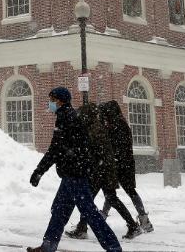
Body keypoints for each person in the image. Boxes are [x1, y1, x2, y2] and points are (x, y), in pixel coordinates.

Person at [27, 87, 122, 252]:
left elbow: (54, 150)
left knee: (90, 213)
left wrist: (39, 171)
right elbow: (70, 147)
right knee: (59, 210)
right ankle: (48, 246)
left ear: (60, 101)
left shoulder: (66, 118)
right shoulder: (69, 116)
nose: (50, 103)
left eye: (52, 100)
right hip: (72, 173)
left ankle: (114, 247)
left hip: (75, 175)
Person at [64, 100, 152, 241]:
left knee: (92, 198)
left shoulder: (101, 128)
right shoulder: (102, 126)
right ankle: (132, 225)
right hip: (108, 168)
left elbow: (100, 151)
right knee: (109, 198)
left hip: (105, 169)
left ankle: (84, 228)